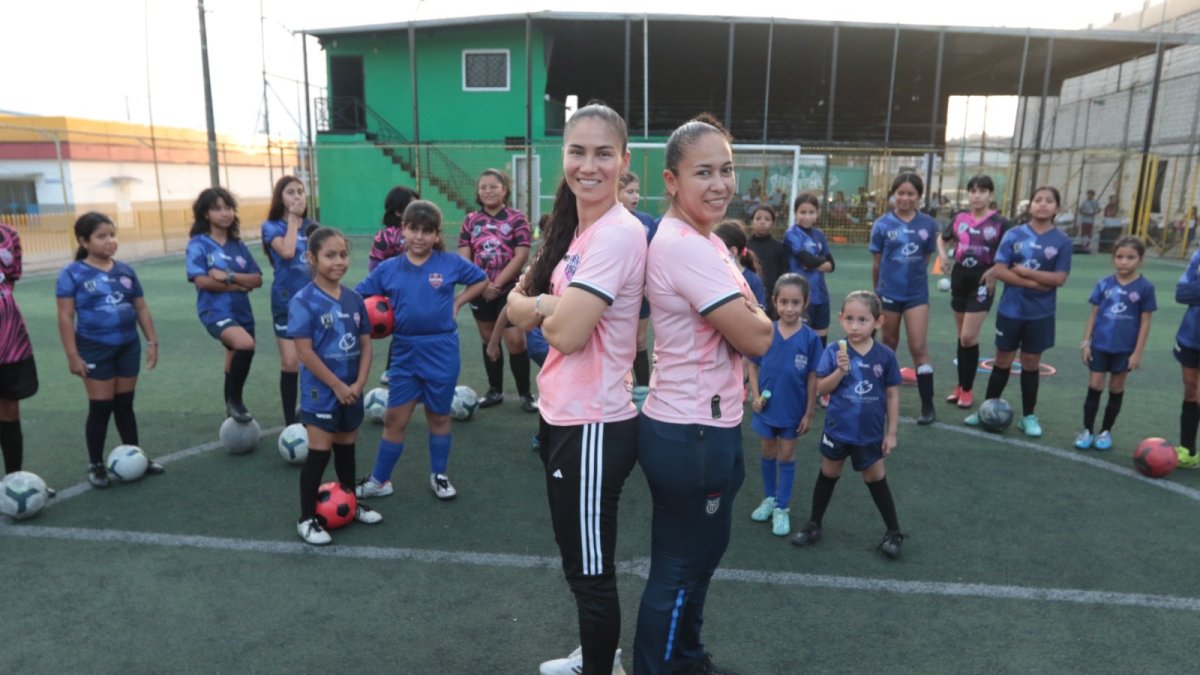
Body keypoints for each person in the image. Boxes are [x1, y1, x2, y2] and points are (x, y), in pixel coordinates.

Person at [506, 103, 644, 675]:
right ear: (562, 156)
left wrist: (541, 307)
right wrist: (543, 306)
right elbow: (514, 307)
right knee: (578, 559)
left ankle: (600, 668)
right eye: (577, 152)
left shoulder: (616, 234)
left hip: (594, 422)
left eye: (603, 153)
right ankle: (597, 656)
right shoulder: (574, 230)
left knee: (589, 570)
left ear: (623, 160)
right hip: (564, 412)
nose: (589, 166)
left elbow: (562, 331)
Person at [633, 115, 772, 675]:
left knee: (699, 560)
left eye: (727, 170)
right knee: (680, 566)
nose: (720, 184)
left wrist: (751, 314)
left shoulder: (707, 239)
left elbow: (750, 319)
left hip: (703, 425)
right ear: (671, 181)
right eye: (704, 172)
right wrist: (755, 316)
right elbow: (756, 334)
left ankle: (686, 659)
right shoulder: (686, 246)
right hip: (691, 431)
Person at [355, 200, 487, 501]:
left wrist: (457, 302)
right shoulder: (388, 269)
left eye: (427, 231)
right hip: (404, 352)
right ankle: (380, 480)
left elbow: (481, 279)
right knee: (394, 419)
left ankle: (439, 475)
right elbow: (359, 294)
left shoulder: (449, 263)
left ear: (437, 234)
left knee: (438, 417)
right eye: (413, 229)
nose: (419, 237)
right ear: (403, 230)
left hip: (442, 350)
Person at [791, 290, 904, 558]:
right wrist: (840, 370)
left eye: (863, 320)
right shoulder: (834, 351)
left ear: (878, 322)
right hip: (838, 429)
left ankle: (893, 531)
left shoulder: (885, 356)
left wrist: (892, 432)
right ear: (841, 319)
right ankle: (814, 524)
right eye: (849, 319)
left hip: (870, 433)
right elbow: (820, 388)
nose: (855, 326)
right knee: (829, 473)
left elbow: (891, 394)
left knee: (875, 477)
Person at [288, 227, 382, 545]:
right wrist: (338, 385)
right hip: (322, 392)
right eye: (330, 255)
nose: (338, 261)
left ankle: (350, 504)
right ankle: (306, 519)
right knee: (318, 454)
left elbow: (366, 345)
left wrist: (358, 383)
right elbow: (304, 352)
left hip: (351, 390)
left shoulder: (355, 300)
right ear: (312, 258)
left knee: (346, 449)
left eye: (343, 254)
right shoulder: (304, 301)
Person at [55, 212, 163, 488]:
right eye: (101, 236)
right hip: (94, 348)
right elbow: (66, 317)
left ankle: (134, 456)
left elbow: (140, 306)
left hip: (128, 346)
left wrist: (151, 341)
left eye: (112, 235)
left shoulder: (125, 271)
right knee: (101, 407)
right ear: (83, 240)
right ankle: (96, 464)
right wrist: (73, 355)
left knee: (124, 405)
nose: (110, 241)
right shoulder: (72, 273)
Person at [964, 187, 1072, 437]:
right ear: (1030, 205)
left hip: (1041, 314)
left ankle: (1029, 416)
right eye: (1038, 200)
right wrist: (1035, 284)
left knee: (1031, 363)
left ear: (1057, 208)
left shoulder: (1062, 242)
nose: (1043, 205)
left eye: (1049, 201)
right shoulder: (1014, 234)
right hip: (1011, 311)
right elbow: (1000, 270)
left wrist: (1027, 273)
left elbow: (1059, 278)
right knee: (1002, 360)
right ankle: (986, 409)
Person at [746, 273, 821, 537]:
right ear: (775, 302)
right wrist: (754, 395)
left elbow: (813, 377)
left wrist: (809, 412)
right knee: (768, 453)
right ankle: (769, 498)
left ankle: (782, 506)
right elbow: (753, 366)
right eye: (784, 302)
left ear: (805, 303)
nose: (789, 308)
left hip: (792, 411)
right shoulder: (766, 330)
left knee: (786, 456)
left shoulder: (810, 339)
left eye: (795, 303)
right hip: (766, 411)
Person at [458, 169, 535, 411]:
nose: (488, 191)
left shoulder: (517, 219)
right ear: (478, 192)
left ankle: (525, 394)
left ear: (505, 190)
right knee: (487, 338)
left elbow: (521, 254)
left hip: (508, 289)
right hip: (479, 289)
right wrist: (481, 283)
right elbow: (464, 255)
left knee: (515, 341)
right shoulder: (470, 220)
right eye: (483, 187)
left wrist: (497, 284)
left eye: (494, 186)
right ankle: (495, 391)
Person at [185, 188, 263, 423]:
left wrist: (228, 275)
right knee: (245, 344)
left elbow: (257, 279)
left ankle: (230, 408)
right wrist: (238, 284)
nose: (224, 213)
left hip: (242, 313)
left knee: (233, 354)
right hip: (214, 311)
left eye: (228, 208)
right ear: (206, 214)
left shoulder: (238, 246)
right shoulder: (198, 244)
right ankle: (236, 401)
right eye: (217, 208)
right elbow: (202, 280)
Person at [870, 173, 939, 424]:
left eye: (911, 194)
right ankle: (882, 400)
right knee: (888, 345)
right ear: (893, 194)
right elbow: (877, 264)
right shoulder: (882, 225)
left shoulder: (928, 224)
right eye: (900, 193)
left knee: (918, 346)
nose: (905, 198)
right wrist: (878, 292)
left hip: (916, 294)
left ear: (919, 197)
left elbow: (926, 258)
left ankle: (927, 405)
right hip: (888, 293)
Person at [935, 175, 1009, 410]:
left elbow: (1010, 251)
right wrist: (944, 256)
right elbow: (942, 239)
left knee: (969, 337)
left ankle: (967, 390)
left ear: (991, 195)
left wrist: (996, 271)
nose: (977, 195)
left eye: (983, 191)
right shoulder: (959, 218)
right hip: (959, 278)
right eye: (973, 191)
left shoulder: (1001, 223)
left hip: (982, 280)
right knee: (962, 338)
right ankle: (960, 386)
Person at [1076, 236, 1155, 451]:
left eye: (1130, 257)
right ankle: (1087, 429)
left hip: (1125, 349)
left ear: (1140, 259)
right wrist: (1086, 343)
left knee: (1116, 387)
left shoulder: (1145, 287)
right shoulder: (1104, 283)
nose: (1124, 262)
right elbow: (1093, 315)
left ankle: (1105, 431)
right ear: (1113, 259)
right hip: (1100, 346)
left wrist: (1137, 353)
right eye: (1119, 257)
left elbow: (1145, 321)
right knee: (1095, 385)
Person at [260, 176, 315, 427]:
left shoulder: (314, 227)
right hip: (285, 301)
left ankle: (311, 412)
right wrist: (293, 220)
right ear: (280, 198)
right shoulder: (271, 226)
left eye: (300, 192)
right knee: (291, 362)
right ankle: (289, 425)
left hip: (312, 303)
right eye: (291, 192)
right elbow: (287, 251)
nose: (297, 196)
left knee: (311, 361)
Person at [369, 186, 421, 386]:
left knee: (418, 331)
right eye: (412, 205)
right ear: (399, 211)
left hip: (421, 291)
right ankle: (392, 370)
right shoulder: (386, 236)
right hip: (397, 294)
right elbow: (375, 267)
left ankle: (412, 371)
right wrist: (382, 294)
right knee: (404, 333)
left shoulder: (420, 232)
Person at [0, 222, 41, 480]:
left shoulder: (8, 234)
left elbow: (11, 281)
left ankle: (14, 480)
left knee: (9, 407)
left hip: (7, 338)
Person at [619, 171, 658, 387]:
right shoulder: (607, 221)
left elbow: (654, 255)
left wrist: (647, 282)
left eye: (637, 192)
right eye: (630, 191)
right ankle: (616, 387)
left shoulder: (646, 221)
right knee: (615, 341)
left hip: (641, 294)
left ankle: (643, 391)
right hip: (615, 294)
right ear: (616, 193)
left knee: (639, 341)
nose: (636, 196)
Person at [784, 192, 835, 349]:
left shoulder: (819, 234)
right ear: (795, 213)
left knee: (821, 338)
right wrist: (819, 261)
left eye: (811, 212)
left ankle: (819, 371)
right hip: (801, 295)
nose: (807, 217)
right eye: (802, 212)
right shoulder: (792, 234)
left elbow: (832, 265)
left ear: (817, 213)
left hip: (821, 295)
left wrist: (814, 262)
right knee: (800, 339)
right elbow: (807, 260)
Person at [1172, 243, 1200, 469]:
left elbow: (1190, 291)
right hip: (1191, 336)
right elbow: (1181, 293)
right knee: (1190, 388)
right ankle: (1188, 450)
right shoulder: (1198, 256)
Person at [746, 205, 788, 317]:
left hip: (772, 299)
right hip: (749, 298)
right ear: (752, 221)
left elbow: (783, 273)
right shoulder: (745, 247)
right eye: (758, 218)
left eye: (767, 219)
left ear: (773, 223)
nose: (762, 222)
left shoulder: (779, 247)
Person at [368, 186, 420, 272]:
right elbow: (374, 270)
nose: (419, 211)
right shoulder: (385, 237)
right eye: (413, 208)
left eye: (419, 206)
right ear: (398, 212)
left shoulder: (426, 232)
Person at [715, 220, 765, 307]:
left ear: (732, 251)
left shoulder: (753, 280)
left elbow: (760, 312)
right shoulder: (716, 275)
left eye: (716, 247)